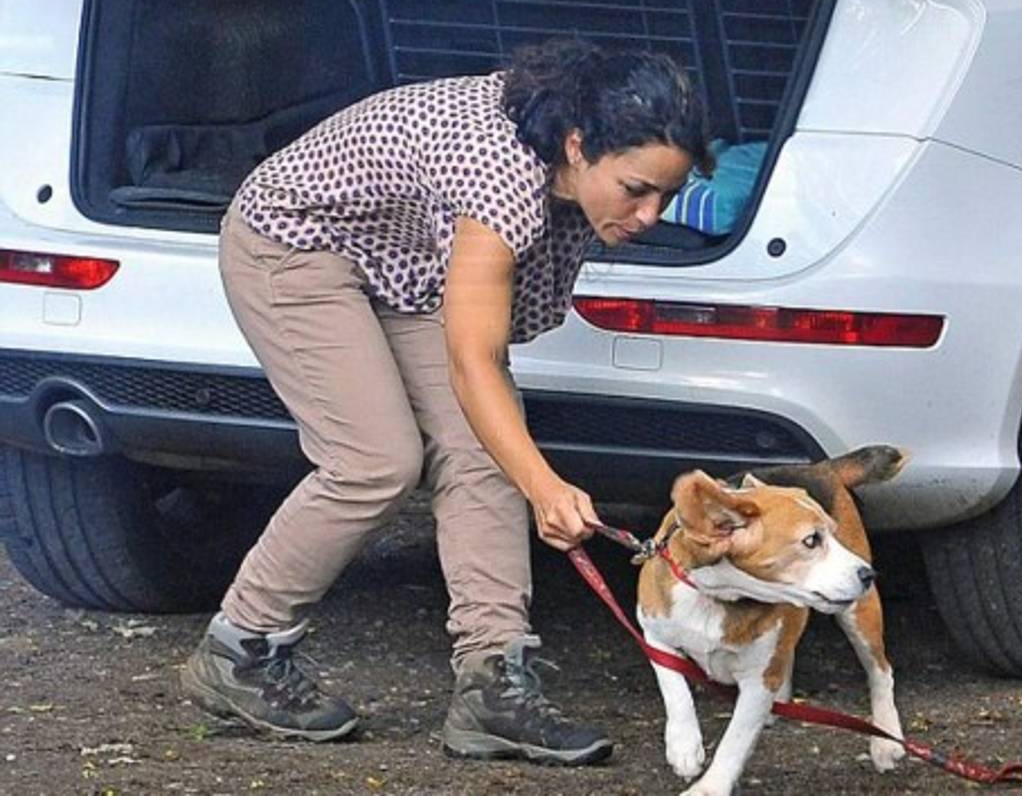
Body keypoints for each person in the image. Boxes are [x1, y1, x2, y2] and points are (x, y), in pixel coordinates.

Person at [179, 38, 712, 765]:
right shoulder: (500, 175)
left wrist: (524, 471)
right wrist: (546, 488)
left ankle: (495, 686)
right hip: (295, 241)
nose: (650, 214)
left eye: (667, 195)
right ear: (580, 145)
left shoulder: (566, 167)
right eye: (635, 189)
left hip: (402, 259)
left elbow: (479, 379)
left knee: (484, 448)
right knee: (374, 460)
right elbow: (472, 360)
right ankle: (238, 651)